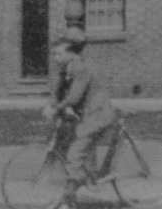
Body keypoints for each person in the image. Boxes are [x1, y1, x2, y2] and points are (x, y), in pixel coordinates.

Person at [43, 27, 120, 209]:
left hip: (97, 115)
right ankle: (83, 183)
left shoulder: (81, 68)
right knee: (74, 147)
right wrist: (53, 103)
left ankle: (69, 202)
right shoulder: (67, 67)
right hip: (86, 115)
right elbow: (57, 90)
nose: (55, 58)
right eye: (54, 54)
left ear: (71, 51)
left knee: (75, 154)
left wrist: (56, 109)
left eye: (58, 53)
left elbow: (74, 98)